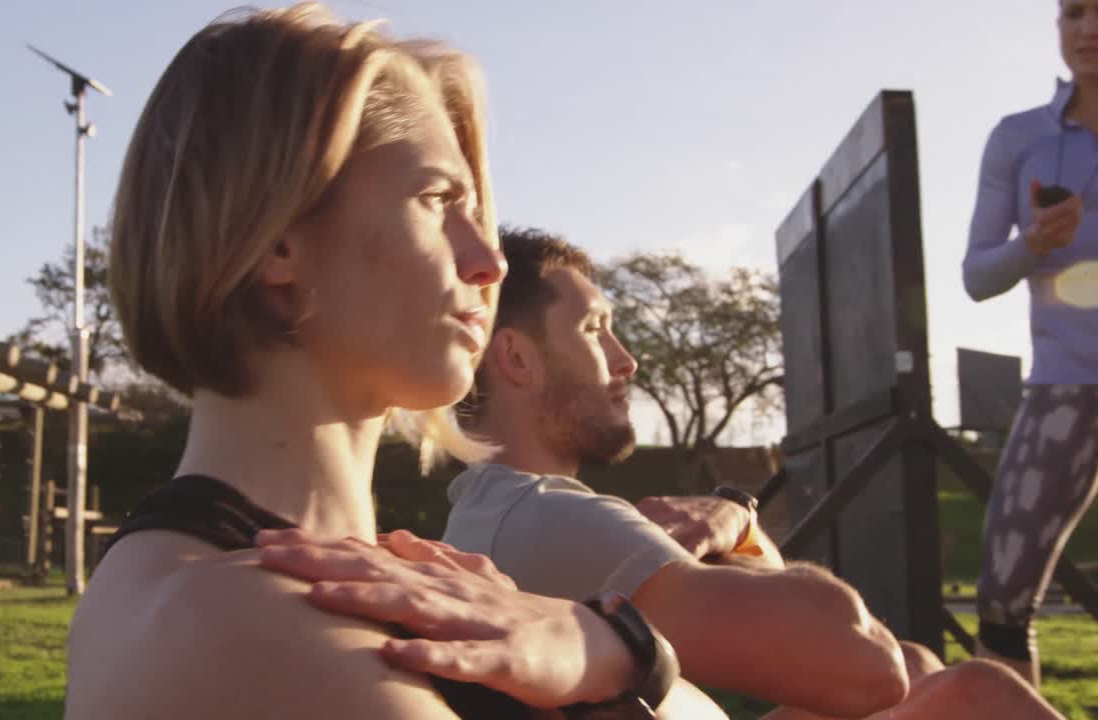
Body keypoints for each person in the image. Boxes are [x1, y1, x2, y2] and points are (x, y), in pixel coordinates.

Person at [66, 5, 682, 719]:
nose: (487, 264)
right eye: (437, 201)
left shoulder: (291, 581)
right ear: (276, 240)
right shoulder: (249, 618)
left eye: (476, 214)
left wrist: (599, 650)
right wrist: (610, 654)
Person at [438, 227, 1064, 719]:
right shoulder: (548, 516)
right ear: (516, 357)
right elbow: (864, 668)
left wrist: (737, 521)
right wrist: (738, 516)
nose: (624, 360)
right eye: (595, 329)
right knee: (973, 693)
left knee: (923, 664)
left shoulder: (495, 511)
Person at [963, 0, 1098, 687]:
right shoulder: (1019, 138)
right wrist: (1033, 244)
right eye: (1074, 12)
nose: (1089, 28)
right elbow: (975, 276)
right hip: (1064, 386)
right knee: (1004, 600)